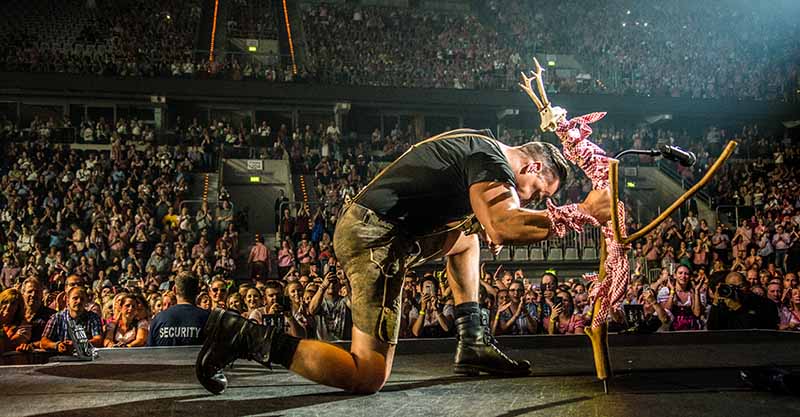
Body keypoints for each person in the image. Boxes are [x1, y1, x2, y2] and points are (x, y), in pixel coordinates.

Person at [196, 127, 612, 394]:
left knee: (468, 240)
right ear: (533, 165)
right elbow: (503, 224)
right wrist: (584, 213)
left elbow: (487, 227)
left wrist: (496, 221)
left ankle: (473, 342)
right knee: (367, 375)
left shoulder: (482, 146)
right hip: (376, 236)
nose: (536, 202)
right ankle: (244, 337)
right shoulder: (491, 161)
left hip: (385, 228)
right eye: (539, 192)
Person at [148, 272, 209, 346]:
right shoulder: (208, 318)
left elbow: (150, 353)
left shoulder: (159, 319)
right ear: (198, 291)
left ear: (174, 290)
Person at [40, 287, 104, 357]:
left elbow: (98, 340)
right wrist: (57, 345)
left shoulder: (93, 318)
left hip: (86, 359)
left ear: (86, 302)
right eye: (75, 298)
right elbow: (43, 342)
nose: (79, 301)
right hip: (61, 360)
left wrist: (78, 344)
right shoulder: (56, 318)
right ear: (67, 301)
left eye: (82, 299)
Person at [707, 272, 779, 330]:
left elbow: (754, 329)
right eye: (732, 287)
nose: (737, 290)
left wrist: (738, 308)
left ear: (747, 284)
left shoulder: (766, 304)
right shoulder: (723, 305)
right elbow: (712, 329)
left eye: (741, 286)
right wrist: (715, 303)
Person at [0, 288, 31, 353]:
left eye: (13, 303)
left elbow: (8, 346)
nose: (8, 306)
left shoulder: (24, 327)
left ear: (18, 307)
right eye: (5, 302)